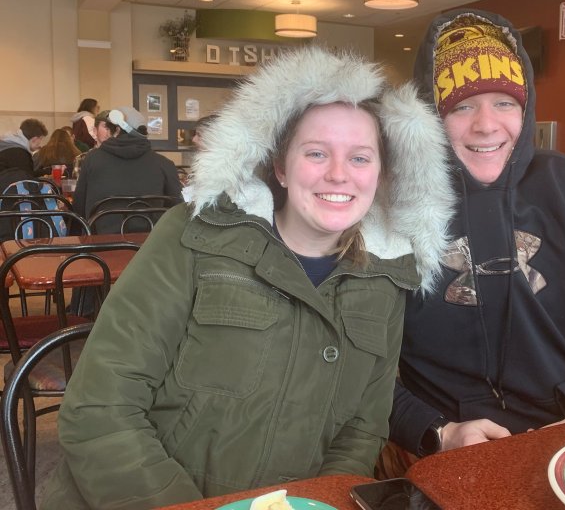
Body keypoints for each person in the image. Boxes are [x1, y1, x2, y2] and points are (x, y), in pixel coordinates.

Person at [42, 45, 454, 509]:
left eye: (360, 158)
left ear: (382, 176)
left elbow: (362, 430)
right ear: (279, 166)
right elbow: (99, 408)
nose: (339, 174)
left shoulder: (386, 277)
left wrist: (315, 502)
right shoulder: (191, 236)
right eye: (316, 153)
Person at [388, 9, 565, 460]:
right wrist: (436, 430)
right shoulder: (391, 206)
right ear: (430, 115)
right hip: (448, 442)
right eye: (462, 106)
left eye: (504, 103)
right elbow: (355, 362)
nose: (486, 125)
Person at [70, 105, 182, 233]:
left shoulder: (92, 159)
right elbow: (178, 209)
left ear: (117, 130)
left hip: (102, 246)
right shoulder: (165, 164)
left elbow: (79, 207)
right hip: (150, 246)